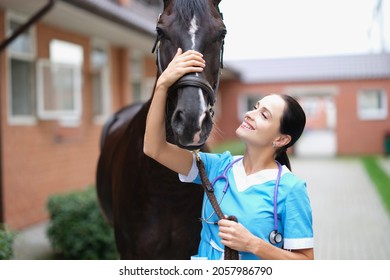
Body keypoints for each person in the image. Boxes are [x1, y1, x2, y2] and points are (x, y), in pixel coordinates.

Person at [144, 48, 314, 260]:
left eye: (264, 115)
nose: (250, 115)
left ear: (281, 139)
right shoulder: (218, 167)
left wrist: (253, 244)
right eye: (254, 107)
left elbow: (306, 262)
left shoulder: (291, 189)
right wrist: (162, 85)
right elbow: (154, 148)